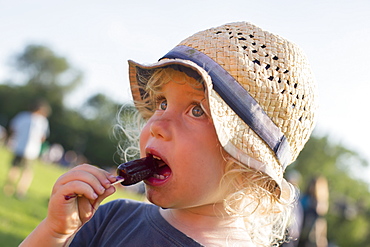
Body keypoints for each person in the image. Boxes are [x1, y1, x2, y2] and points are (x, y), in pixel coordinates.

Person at [20, 21, 318, 246]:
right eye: (162, 103)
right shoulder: (110, 220)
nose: (157, 125)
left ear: (247, 164)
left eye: (197, 110)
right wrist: (54, 232)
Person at [3, 99, 50, 198]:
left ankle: (8, 188)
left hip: (18, 146)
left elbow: (13, 128)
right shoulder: (42, 121)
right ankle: (21, 191)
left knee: (14, 168)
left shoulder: (22, 116)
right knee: (27, 172)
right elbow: (43, 137)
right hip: (32, 151)